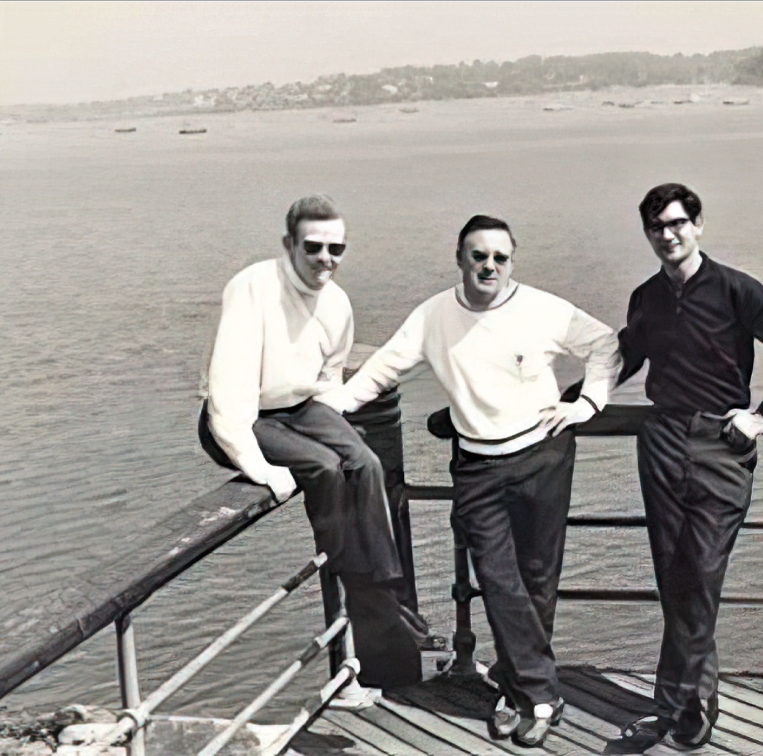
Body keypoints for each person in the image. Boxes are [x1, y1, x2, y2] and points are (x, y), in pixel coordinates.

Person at [318, 214, 620, 748]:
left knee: (536, 579)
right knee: (499, 581)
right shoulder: (434, 315)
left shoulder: (542, 308)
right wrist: (322, 410)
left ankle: (516, 687)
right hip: (478, 468)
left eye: (500, 257)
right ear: (460, 259)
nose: (489, 266)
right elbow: (382, 370)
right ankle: (542, 694)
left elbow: (605, 346)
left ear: (511, 262)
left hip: (544, 457)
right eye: (478, 256)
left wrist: (587, 403)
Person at [610, 184, 763, 752]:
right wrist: (574, 401)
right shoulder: (646, 297)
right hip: (662, 440)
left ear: (697, 225)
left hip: (722, 445)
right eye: (656, 228)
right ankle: (696, 701)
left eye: (677, 224)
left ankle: (676, 701)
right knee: (675, 577)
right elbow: (627, 358)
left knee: (700, 572)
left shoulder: (735, 289)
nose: (667, 235)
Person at [198, 194, 422, 696]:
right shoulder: (252, 288)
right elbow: (228, 394)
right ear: (289, 244)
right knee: (322, 467)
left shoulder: (336, 303)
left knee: (363, 461)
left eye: (336, 249)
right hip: (244, 414)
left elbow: (326, 376)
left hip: (299, 406)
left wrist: (332, 420)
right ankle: (354, 577)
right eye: (314, 247)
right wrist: (260, 468)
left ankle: (384, 584)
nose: (326, 259)